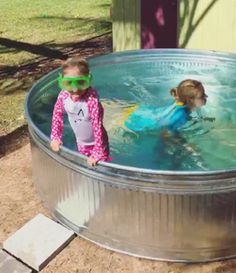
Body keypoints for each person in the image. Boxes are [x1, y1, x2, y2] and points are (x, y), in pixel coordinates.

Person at [50, 57, 110, 167]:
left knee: (102, 168)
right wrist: (55, 137)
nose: (75, 89)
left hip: (100, 143)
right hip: (81, 142)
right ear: (62, 81)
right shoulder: (63, 96)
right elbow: (56, 116)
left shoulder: (91, 100)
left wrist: (97, 152)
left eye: (81, 82)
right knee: (86, 167)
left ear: (89, 79)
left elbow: (97, 127)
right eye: (68, 83)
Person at [123, 79, 208, 133]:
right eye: (202, 96)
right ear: (190, 100)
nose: (206, 96)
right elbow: (165, 131)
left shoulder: (180, 102)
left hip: (139, 111)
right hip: (135, 119)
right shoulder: (181, 115)